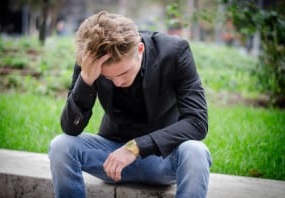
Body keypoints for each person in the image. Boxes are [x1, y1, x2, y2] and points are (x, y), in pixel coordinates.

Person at [49, 11, 212, 198]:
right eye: (108, 77)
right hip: (111, 160)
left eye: (124, 73)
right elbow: (70, 128)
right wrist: (86, 80)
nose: (117, 82)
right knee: (60, 146)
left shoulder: (174, 52)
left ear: (140, 50)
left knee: (196, 151)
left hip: (163, 158)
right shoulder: (91, 62)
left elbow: (197, 122)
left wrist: (136, 147)